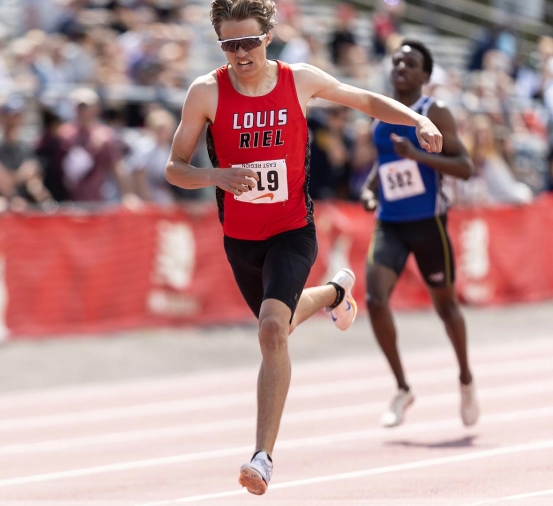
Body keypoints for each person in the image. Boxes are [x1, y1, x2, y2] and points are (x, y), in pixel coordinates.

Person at [164, 0, 442, 495]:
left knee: (272, 330)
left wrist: (416, 121)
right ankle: (336, 294)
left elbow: (365, 100)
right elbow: (175, 168)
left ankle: (262, 456)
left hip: (293, 229)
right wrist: (217, 176)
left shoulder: (299, 80)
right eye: (230, 44)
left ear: (268, 36)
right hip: (240, 240)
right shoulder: (206, 92)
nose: (241, 53)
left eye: (249, 41)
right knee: (280, 326)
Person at [358, 39, 478, 429]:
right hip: (390, 223)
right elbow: (385, 164)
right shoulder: (378, 114)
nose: (401, 68)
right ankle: (402, 387)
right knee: (375, 300)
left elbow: (464, 166)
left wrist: (418, 155)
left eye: (410, 63)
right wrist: (369, 190)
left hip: (429, 225)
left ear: (425, 75)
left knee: (445, 307)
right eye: (396, 61)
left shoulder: (434, 112)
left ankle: (465, 379)